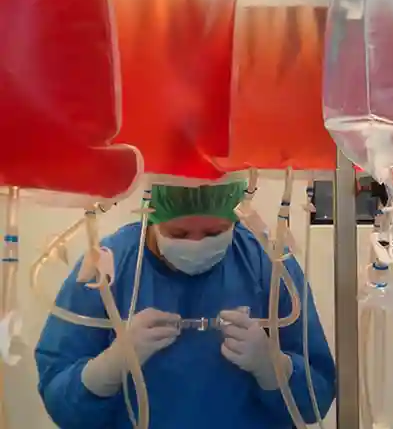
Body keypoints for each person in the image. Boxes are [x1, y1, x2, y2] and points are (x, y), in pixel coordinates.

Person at [35, 182, 336, 429]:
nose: (196, 244)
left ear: (235, 218)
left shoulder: (268, 263)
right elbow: (61, 403)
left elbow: (316, 399)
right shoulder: (109, 267)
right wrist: (108, 368)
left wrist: (273, 367)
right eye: (178, 234)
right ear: (152, 218)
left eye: (214, 233)